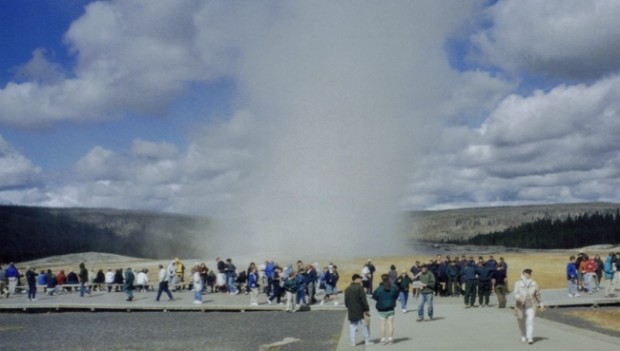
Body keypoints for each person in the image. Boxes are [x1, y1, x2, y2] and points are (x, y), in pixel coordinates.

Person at [513, 268, 544, 344]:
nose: (527, 275)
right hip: (520, 305)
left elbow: (538, 294)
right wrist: (519, 298)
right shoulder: (517, 283)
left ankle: (530, 337)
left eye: (529, 273)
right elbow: (515, 294)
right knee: (521, 321)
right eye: (525, 273)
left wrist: (541, 304)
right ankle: (523, 335)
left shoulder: (534, 283)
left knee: (530, 320)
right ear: (522, 274)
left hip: (531, 304)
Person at [344, 274, 373, 347]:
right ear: (356, 279)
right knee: (364, 326)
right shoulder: (360, 288)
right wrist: (366, 309)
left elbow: (346, 301)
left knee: (353, 326)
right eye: (360, 278)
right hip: (360, 310)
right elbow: (363, 300)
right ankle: (367, 340)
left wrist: (349, 306)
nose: (361, 280)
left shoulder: (347, 289)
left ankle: (353, 342)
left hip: (351, 310)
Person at [373, 274, 399, 345]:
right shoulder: (393, 288)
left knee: (382, 324)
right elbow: (396, 295)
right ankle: (390, 338)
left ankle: (383, 339)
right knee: (390, 324)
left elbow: (374, 296)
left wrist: (379, 300)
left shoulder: (379, 288)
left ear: (382, 279)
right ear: (389, 279)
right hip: (390, 307)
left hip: (381, 308)